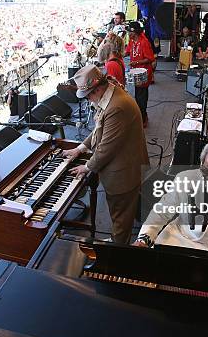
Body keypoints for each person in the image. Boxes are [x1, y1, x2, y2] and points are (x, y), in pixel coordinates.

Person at [62, 65, 149, 244]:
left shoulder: (117, 107)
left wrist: (86, 167)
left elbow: (106, 148)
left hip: (124, 174)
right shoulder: (110, 95)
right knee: (122, 213)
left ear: (98, 89)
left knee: (120, 218)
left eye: (88, 96)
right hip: (128, 165)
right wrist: (80, 149)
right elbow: (99, 131)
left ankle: (118, 255)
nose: (88, 100)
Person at [134, 142, 208, 252]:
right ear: (202, 162)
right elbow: (162, 211)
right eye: (206, 169)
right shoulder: (184, 178)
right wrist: (145, 238)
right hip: (178, 237)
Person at [126, 21, 155, 128]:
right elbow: (127, 51)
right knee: (138, 96)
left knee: (141, 97)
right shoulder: (132, 41)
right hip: (135, 73)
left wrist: (136, 62)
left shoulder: (144, 42)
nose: (128, 34)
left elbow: (150, 58)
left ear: (135, 32)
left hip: (143, 73)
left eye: (130, 32)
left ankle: (143, 118)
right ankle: (142, 116)